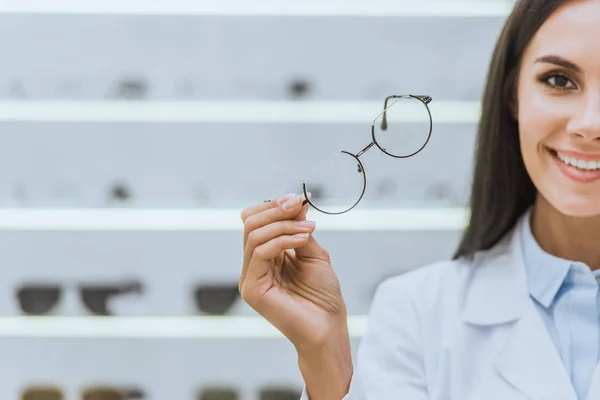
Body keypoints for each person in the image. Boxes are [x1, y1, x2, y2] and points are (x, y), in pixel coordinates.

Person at [239, 0, 600, 398]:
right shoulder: (417, 312)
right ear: (512, 94)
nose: (589, 124)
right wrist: (326, 358)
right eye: (559, 80)